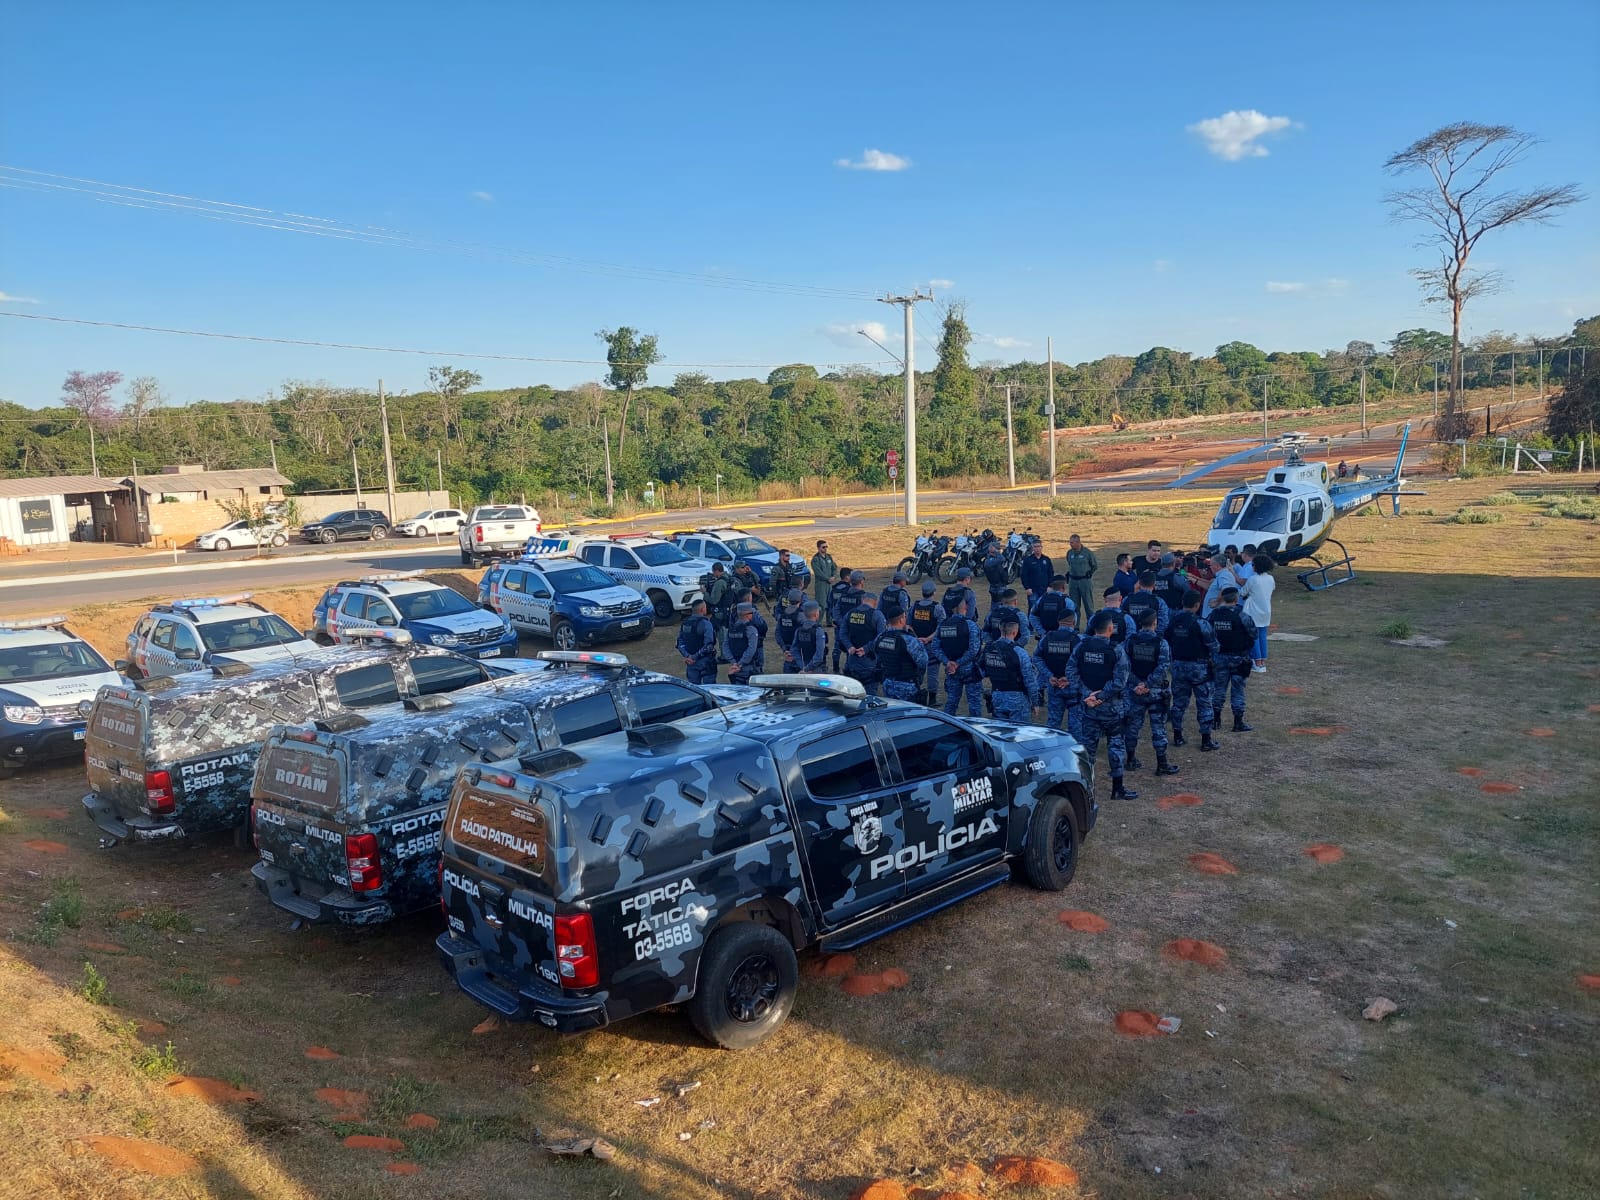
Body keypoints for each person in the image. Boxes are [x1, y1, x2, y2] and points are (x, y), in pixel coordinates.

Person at [1068, 612, 1137, 799]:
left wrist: (1087, 695)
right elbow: (1120, 681)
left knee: (1088, 749)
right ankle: (1117, 788)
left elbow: (1071, 671)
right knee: (1115, 746)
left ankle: (1085, 790)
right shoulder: (1116, 650)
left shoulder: (1081, 646)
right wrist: (1102, 696)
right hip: (1111, 708)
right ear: (1109, 629)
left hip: (1089, 707)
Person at [1122, 608, 1180, 775]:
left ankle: (1131, 760)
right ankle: (1161, 764)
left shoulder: (1130, 641)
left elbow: (1125, 666)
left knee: (1133, 726)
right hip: (1155, 692)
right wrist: (1147, 685)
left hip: (1135, 691)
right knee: (1158, 728)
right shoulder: (1161, 643)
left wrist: (1137, 684)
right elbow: (1162, 667)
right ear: (1155, 622)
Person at [1165, 590, 1219, 751]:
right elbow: (1213, 646)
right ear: (1197, 605)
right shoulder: (1201, 623)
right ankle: (1206, 739)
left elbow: (1167, 641)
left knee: (1179, 703)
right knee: (1204, 703)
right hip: (1199, 668)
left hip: (1178, 667)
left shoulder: (1173, 621)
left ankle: (1177, 735)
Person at [1209, 586, 1258, 732]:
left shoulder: (1213, 615)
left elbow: (1208, 635)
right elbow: (1253, 634)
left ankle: (1215, 719)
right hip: (1239, 657)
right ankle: (1238, 722)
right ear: (1236, 599)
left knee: (1219, 689)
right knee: (1238, 690)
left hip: (1219, 657)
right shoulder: (1242, 615)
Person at [980, 616, 1037, 724]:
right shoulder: (1019, 652)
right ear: (1015, 633)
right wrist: (1035, 702)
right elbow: (1030, 680)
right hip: (1017, 699)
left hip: (997, 696)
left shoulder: (988, 649)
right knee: (1020, 733)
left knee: (1000, 733)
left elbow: (980, 671)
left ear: (1000, 630)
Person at [935, 594, 984, 717]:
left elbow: (936, 647)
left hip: (951, 670)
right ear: (965, 607)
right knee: (974, 705)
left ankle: (947, 727)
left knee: (951, 702)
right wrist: (958, 663)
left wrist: (948, 662)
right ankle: (975, 730)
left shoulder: (943, 625)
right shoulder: (970, 625)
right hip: (970, 670)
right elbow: (974, 650)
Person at [1032, 617, 1081, 738]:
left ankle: (1051, 750)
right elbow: (1084, 664)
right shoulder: (1079, 640)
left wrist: (1049, 675)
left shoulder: (1047, 638)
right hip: (1073, 688)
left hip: (1054, 685)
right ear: (1074, 623)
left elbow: (1036, 658)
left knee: (1053, 724)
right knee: (1076, 726)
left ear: (1058, 622)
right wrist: (1070, 678)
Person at [876, 604, 929, 702]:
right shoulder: (909, 639)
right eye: (905, 617)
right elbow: (923, 661)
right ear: (901, 620)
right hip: (907, 684)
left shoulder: (880, 637)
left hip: (887, 683)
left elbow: (878, 658)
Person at [840, 590, 886, 696]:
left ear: (862, 600)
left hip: (852, 659)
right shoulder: (877, 615)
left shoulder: (850, 613)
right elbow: (881, 637)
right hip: (870, 661)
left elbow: (842, 633)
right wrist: (866, 649)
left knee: (852, 694)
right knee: (870, 695)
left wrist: (849, 646)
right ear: (875, 602)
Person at [908, 581, 946, 703]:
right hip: (931, 645)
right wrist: (928, 639)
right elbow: (941, 627)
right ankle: (932, 700)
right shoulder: (937, 608)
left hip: (916, 644)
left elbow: (908, 625)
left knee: (917, 670)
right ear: (933, 592)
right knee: (932, 672)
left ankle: (916, 694)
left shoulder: (914, 606)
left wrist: (917, 638)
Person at [1241, 551, 1276, 673]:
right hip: (1266, 610)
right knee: (1262, 636)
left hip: (1253, 611)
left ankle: (1256, 661)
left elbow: (1243, 592)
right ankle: (1262, 662)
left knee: (1253, 636)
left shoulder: (1253, 579)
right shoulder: (1270, 579)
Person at [676, 598, 718, 684]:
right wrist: (695, 657)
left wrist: (688, 656)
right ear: (702, 609)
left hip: (691, 663)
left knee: (694, 689)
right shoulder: (706, 624)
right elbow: (708, 645)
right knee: (710, 689)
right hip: (705, 662)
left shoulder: (685, 623)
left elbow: (679, 643)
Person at [726, 602, 764, 685]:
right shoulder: (751, 629)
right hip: (748, 667)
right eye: (751, 613)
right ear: (747, 615)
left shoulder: (731, 629)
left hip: (734, 667)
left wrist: (733, 662)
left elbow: (725, 646)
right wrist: (740, 664)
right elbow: (751, 649)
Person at [1122, 571, 1170, 636]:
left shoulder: (1127, 599)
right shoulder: (1158, 601)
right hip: (1151, 639)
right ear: (1154, 584)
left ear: (1139, 583)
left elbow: (1122, 619)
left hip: (1132, 639)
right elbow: (1164, 623)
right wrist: (1155, 635)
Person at [1029, 575, 1075, 643]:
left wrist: (1042, 632)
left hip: (1045, 638)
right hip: (1062, 639)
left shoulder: (1041, 599)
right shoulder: (1067, 602)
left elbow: (1032, 617)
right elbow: (1072, 619)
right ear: (1063, 587)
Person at [1064, 534, 1099, 624]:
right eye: (1070, 542)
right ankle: (1075, 626)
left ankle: (1091, 625)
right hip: (1073, 581)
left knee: (1088, 604)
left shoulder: (1087, 553)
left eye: (1072, 543)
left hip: (1085, 581)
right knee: (1074, 605)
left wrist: (1089, 573)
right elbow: (1069, 563)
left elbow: (1094, 565)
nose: (1070, 544)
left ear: (1078, 542)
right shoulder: (1069, 553)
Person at [702, 562, 733, 660]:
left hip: (719, 612)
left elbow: (714, 600)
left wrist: (704, 593)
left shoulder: (719, 583)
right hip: (727, 611)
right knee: (725, 634)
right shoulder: (729, 579)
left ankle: (723, 656)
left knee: (716, 634)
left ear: (716, 571)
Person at [789, 600, 828, 673]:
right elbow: (819, 655)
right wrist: (808, 668)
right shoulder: (818, 631)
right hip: (817, 669)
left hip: (803, 667)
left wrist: (803, 667)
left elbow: (794, 649)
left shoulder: (799, 630)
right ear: (816, 614)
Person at [773, 588, 802, 668]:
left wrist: (784, 649)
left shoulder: (782, 616)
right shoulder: (801, 616)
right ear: (800, 600)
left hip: (787, 651)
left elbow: (777, 633)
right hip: (800, 653)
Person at [1019, 539, 1054, 603]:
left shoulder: (1046, 559)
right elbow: (1024, 575)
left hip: (1045, 590)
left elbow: (1051, 573)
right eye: (1035, 547)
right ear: (1032, 548)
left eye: (1039, 546)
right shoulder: (1028, 560)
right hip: (1033, 590)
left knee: (1044, 608)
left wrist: (1050, 586)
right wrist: (1027, 588)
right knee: (1033, 609)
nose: (1037, 548)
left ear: (1041, 547)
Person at [809, 539, 837, 613]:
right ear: (818, 548)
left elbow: (834, 567)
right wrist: (827, 578)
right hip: (821, 584)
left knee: (830, 602)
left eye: (826, 547)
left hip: (829, 583)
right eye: (823, 547)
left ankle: (830, 621)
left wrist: (833, 576)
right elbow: (818, 572)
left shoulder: (829, 557)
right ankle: (818, 622)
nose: (825, 549)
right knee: (821, 604)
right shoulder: (816, 559)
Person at [982, 543, 1011, 611]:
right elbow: (1001, 559)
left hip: (1000, 584)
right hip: (996, 585)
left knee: (999, 604)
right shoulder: (989, 559)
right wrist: (997, 552)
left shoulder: (991, 558)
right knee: (998, 605)